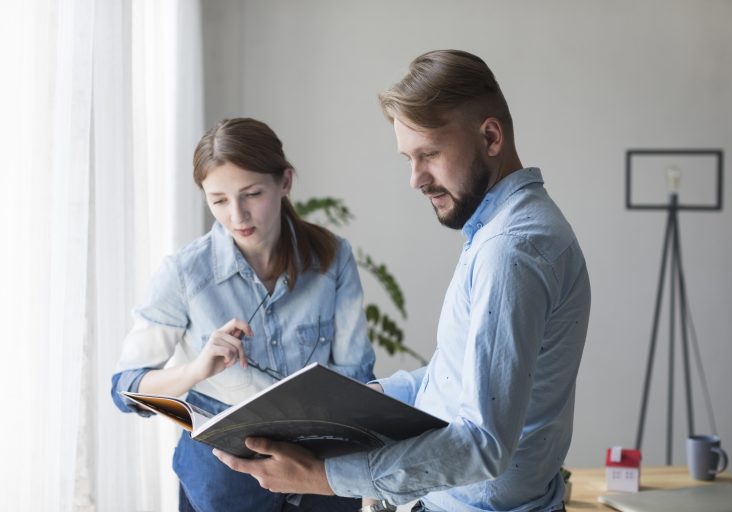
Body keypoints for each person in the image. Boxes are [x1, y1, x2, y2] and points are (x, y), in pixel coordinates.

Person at [215, 50, 591, 512]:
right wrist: (358, 399)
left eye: (429, 154)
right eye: (408, 158)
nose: (415, 179)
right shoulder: (505, 232)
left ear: (490, 137)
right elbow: (453, 382)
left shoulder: (510, 250)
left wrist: (326, 477)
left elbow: (481, 444)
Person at [111, 117, 375, 512]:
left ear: (284, 182)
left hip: (322, 478)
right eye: (218, 200)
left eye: (251, 194)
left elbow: (356, 377)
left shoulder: (332, 257)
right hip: (224, 487)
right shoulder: (184, 273)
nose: (237, 215)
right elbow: (125, 388)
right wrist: (197, 370)